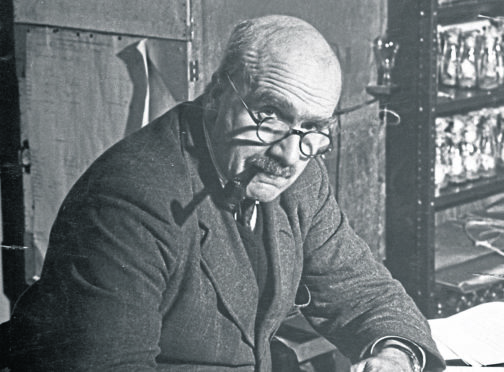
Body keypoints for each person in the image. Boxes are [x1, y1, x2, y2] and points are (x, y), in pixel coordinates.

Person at [3, 15, 445, 372]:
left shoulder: (300, 176)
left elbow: (367, 293)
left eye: (313, 128)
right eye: (269, 115)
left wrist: (396, 355)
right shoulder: (127, 203)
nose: (289, 154)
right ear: (216, 94)